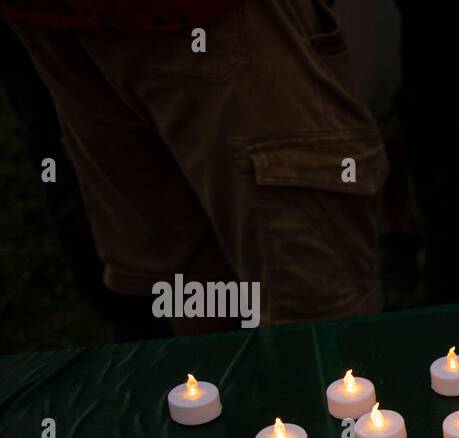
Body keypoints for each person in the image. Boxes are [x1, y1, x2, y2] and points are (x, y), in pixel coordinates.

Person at [1, 0, 388, 330]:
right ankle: (286, 402)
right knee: (307, 297)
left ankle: (260, 396)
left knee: (202, 288)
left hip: (62, 21)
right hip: (196, 20)